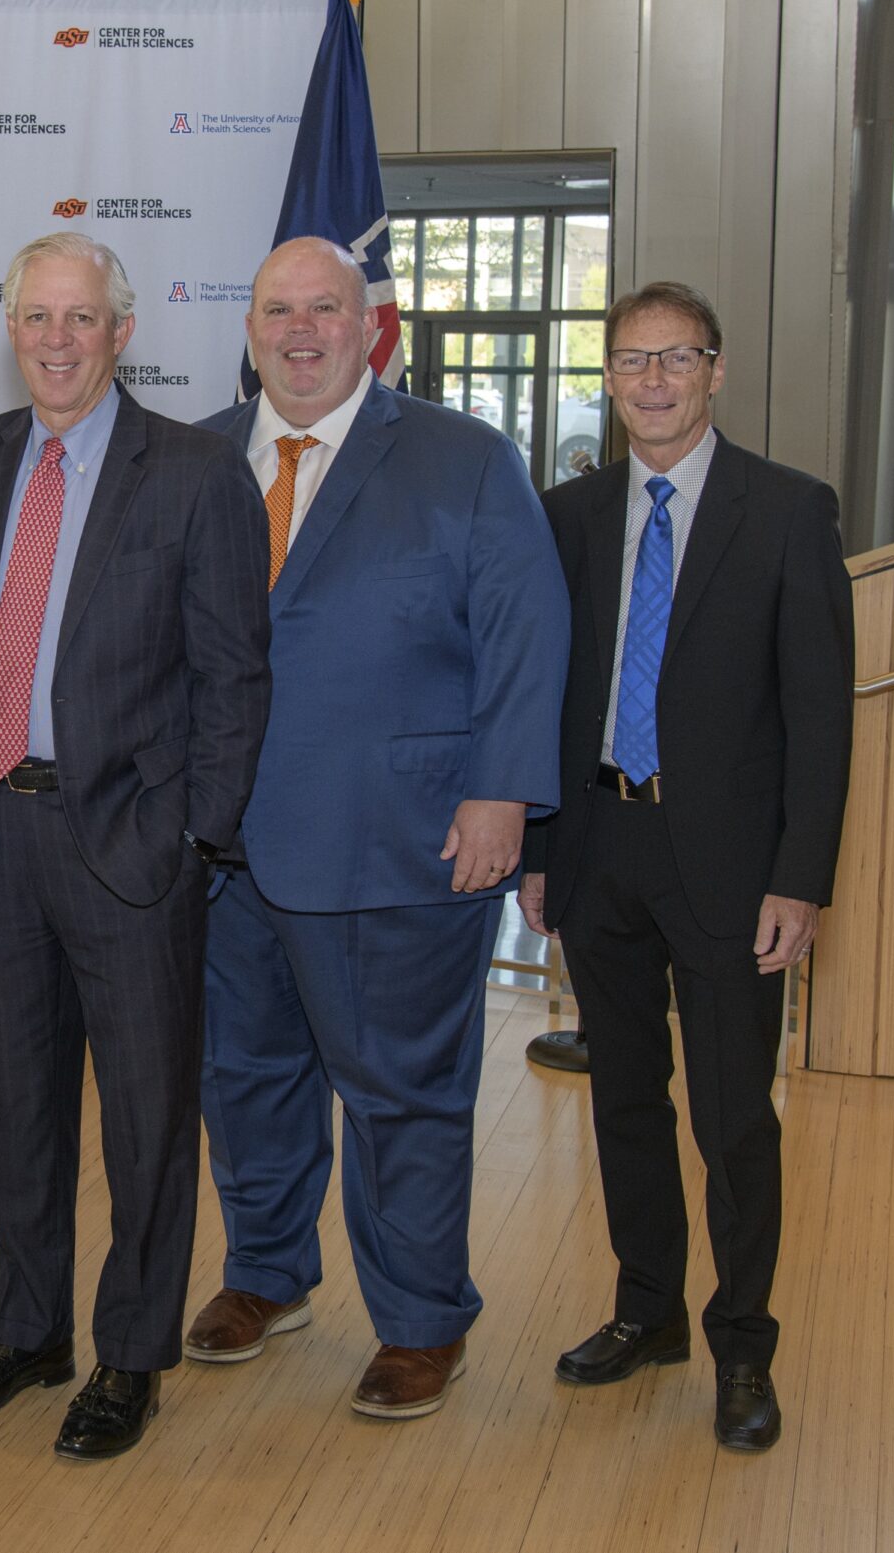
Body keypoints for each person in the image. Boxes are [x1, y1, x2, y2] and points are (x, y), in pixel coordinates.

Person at [0, 231, 271, 1461]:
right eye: (35, 318)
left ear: (121, 333)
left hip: (133, 845)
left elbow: (234, 676)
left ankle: (128, 1354)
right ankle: (28, 1332)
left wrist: (194, 836)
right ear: (11, 329)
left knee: (148, 1119)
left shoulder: (197, 470)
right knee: (12, 1106)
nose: (56, 341)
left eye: (81, 319)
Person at [190, 236, 568, 1422]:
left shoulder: (462, 457)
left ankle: (417, 1318)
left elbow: (524, 630)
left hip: (394, 837)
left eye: (324, 309)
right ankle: (266, 1272)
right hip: (216, 844)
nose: (299, 331)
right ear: (248, 330)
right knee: (243, 1076)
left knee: (400, 1091)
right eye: (276, 311)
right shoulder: (196, 457)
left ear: (371, 327)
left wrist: (502, 793)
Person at [520, 281, 854, 1453]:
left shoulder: (786, 510)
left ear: (716, 371)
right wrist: (543, 850)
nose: (651, 380)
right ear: (606, 382)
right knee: (620, 1099)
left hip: (729, 863)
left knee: (731, 1120)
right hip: (601, 843)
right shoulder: (568, 513)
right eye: (629, 361)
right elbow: (549, 694)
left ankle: (742, 1343)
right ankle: (646, 1310)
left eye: (675, 358)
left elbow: (819, 714)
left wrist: (799, 877)